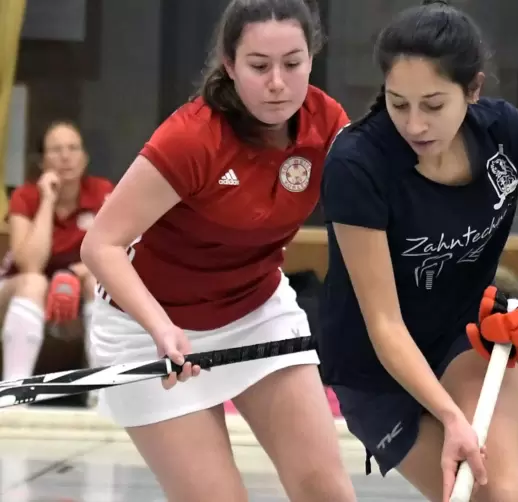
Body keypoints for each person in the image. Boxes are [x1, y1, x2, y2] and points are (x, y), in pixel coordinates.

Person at [317, 2, 518, 501]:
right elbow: (385, 325)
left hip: (467, 337)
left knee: (501, 494)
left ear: (474, 90)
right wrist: (449, 416)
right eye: (398, 103)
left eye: (434, 104)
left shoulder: (503, 132)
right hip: (374, 369)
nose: (415, 124)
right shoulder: (358, 164)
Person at [80, 1, 355, 501]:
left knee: (327, 491)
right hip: (150, 330)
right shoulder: (192, 139)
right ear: (229, 66)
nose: (277, 82)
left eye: (293, 64)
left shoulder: (329, 123)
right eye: (258, 66)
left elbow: (378, 213)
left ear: (311, 59)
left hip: (257, 312)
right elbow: (101, 243)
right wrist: (161, 327)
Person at [1, 121, 112, 382]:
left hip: (75, 287)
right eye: (56, 149)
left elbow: (117, 251)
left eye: (73, 148)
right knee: (34, 282)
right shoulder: (26, 196)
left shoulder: (102, 191)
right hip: (17, 291)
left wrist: (72, 273)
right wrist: (47, 201)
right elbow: (30, 264)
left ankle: (102, 390)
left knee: (99, 281)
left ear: (84, 158)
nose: (65, 156)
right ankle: (15, 392)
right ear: (42, 161)